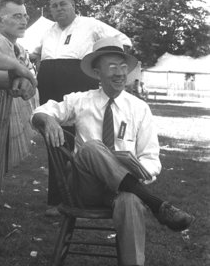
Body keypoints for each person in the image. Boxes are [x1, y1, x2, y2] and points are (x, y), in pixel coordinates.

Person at [32, 36, 194, 266]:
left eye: (123, 67)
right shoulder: (81, 101)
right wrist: (47, 120)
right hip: (84, 188)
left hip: (121, 190)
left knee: (130, 200)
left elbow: (151, 158)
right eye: (112, 67)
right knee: (90, 149)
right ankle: (156, 204)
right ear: (97, 73)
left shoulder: (139, 109)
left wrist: (138, 170)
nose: (120, 73)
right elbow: (42, 110)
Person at [30, 0, 132, 213]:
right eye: (54, 5)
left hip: (77, 82)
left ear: (73, 5)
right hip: (49, 85)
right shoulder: (47, 31)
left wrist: (108, 65)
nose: (58, 9)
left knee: (85, 140)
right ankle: (56, 200)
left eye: (62, 4)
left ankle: (95, 193)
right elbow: (33, 53)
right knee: (55, 141)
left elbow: (123, 40)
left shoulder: (91, 24)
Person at [0, 0, 36, 100]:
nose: (24, 22)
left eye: (25, 16)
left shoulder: (19, 47)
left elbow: (31, 75)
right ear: (0, 20)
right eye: (17, 16)